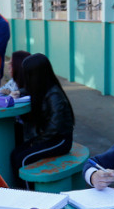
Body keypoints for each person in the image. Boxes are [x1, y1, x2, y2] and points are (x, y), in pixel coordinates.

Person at [9, 53, 75, 188]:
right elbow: (29, 90)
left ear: (36, 74)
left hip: (60, 141)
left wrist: (36, 142)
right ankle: (19, 189)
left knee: (23, 159)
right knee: (15, 154)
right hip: (46, 137)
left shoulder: (54, 95)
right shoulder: (42, 88)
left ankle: (29, 194)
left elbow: (54, 128)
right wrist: (20, 92)